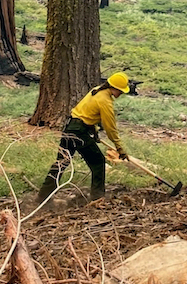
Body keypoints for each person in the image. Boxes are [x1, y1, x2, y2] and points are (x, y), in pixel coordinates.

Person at [39, 72, 134, 202]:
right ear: (114, 88)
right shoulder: (105, 101)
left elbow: (86, 113)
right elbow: (110, 128)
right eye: (121, 91)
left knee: (61, 163)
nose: (121, 93)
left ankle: (42, 197)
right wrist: (120, 148)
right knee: (98, 162)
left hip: (70, 127)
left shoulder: (96, 91)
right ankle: (97, 198)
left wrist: (94, 132)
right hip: (79, 133)